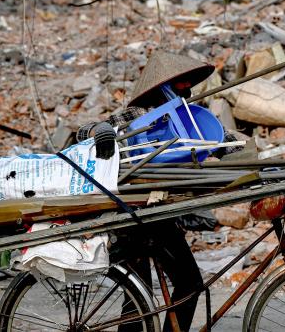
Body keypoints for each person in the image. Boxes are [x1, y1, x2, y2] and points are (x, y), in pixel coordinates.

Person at [76, 51, 241, 331]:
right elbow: (84, 134)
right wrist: (99, 131)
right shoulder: (137, 116)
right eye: (180, 86)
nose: (186, 92)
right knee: (184, 285)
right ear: (162, 88)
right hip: (138, 216)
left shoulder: (189, 118)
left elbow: (227, 143)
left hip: (157, 214)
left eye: (187, 87)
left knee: (138, 297)